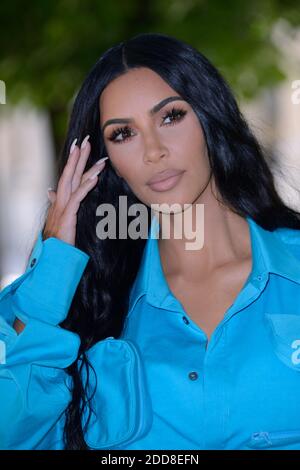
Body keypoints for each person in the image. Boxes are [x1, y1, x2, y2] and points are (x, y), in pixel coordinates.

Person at [1, 32, 300, 451]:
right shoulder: (71, 301)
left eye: (171, 116)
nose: (154, 151)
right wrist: (52, 270)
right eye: (124, 134)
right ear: (107, 164)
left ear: (210, 118)